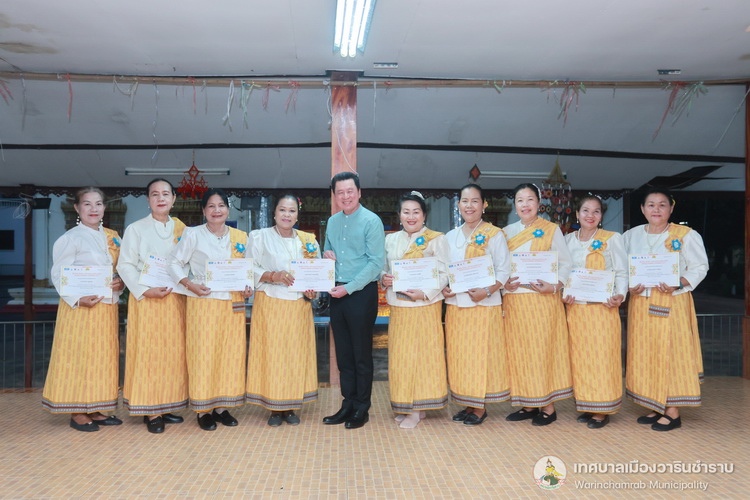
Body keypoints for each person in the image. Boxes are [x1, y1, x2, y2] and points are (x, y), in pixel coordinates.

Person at [623, 188, 708, 431]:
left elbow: (700, 267)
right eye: (651, 204)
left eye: (662, 204)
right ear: (643, 209)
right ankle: (656, 404)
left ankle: (672, 411)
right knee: (646, 353)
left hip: (673, 303)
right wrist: (629, 285)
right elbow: (622, 267)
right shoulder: (631, 236)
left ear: (671, 208)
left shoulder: (686, 235)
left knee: (672, 353)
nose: (656, 209)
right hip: (641, 304)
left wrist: (678, 282)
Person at [169, 188, 253, 431]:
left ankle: (222, 407)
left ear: (228, 209)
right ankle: (203, 409)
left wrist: (248, 288)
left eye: (221, 206)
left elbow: (248, 269)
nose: (217, 210)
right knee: (203, 354)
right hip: (203, 302)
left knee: (229, 354)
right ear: (204, 210)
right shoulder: (193, 234)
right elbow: (173, 262)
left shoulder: (240, 236)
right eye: (211, 206)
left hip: (232, 304)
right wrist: (189, 284)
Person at [43, 186, 125, 432]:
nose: (93, 209)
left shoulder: (112, 236)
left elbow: (119, 269)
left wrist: (120, 282)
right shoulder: (71, 238)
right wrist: (77, 299)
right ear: (77, 208)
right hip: (80, 309)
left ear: (104, 208)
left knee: (102, 357)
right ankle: (77, 411)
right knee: (78, 356)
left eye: (98, 203)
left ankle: (95, 408)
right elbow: (58, 274)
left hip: (106, 308)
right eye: (87, 204)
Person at [117, 178, 189, 434]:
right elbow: (125, 264)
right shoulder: (136, 229)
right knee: (149, 353)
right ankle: (151, 410)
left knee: (172, 353)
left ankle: (166, 404)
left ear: (173, 199)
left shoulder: (182, 229)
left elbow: (188, 262)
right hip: (147, 300)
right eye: (155, 194)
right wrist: (145, 290)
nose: (160, 198)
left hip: (175, 300)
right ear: (148, 200)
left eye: (165, 194)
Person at [245, 194, 319, 427]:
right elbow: (248, 268)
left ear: (298, 215)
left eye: (292, 211)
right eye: (282, 210)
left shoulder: (308, 240)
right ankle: (274, 408)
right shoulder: (259, 237)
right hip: (271, 303)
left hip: (298, 307)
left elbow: (316, 273)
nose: (287, 215)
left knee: (295, 354)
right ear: (274, 213)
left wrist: (313, 291)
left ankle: (291, 405)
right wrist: (272, 275)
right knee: (273, 354)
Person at [503, 183, 573, 426]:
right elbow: (500, 266)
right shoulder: (505, 233)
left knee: (542, 351)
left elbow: (565, 264)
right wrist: (504, 283)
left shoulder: (551, 230)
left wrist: (554, 286)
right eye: (520, 200)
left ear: (539, 203)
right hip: (515, 302)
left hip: (543, 302)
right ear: (515, 205)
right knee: (520, 352)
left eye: (530, 199)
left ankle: (548, 407)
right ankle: (528, 403)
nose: (525, 205)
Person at [442, 184, 511, 426]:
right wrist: (444, 286)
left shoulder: (495, 234)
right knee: (461, 355)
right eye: (464, 201)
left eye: (474, 201)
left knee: (481, 355)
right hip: (457, 307)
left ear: (483, 205)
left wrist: (488, 290)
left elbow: (504, 269)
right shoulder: (450, 237)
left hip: (484, 305)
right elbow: (444, 270)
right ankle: (468, 403)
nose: (469, 206)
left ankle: (480, 407)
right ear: (458, 205)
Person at [380, 191, 449, 429]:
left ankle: (417, 409)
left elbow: (445, 273)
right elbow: (383, 268)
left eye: (416, 212)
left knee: (423, 356)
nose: (411, 217)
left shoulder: (436, 239)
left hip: (425, 307)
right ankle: (408, 405)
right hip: (399, 308)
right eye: (406, 212)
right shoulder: (390, 240)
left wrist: (426, 293)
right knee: (402, 357)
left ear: (424, 215)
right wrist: (384, 278)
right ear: (399, 215)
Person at [322, 172, 385, 429]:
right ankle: (347, 403)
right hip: (337, 293)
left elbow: (375, 263)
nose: (345, 196)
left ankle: (362, 407)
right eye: (340, 192)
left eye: (350, 191)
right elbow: (327, 251)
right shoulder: (332, 221)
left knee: (361, 354)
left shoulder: (372, 221)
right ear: (335, 196)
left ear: (359, 192)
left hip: (361, 293)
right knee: (344, 354)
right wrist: (326, 256)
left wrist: (348, 288)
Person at [562, 195, 627, 429]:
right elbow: (562, 272)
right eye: (586, 211)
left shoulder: (612, 239)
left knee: (603, 358)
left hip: (603, 309)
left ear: (601, 216)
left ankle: (603, 409)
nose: (590, 215)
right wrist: (563, 294)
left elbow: (622, 271)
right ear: (577, 214)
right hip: (576, 309)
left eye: (596, 211)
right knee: (580, 358)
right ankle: (588, 404)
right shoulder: (567, 241)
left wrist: (620, 295)